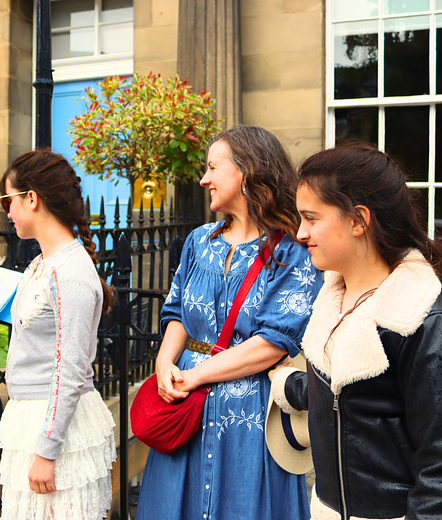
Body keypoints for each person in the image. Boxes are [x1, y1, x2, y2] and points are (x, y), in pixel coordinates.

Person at [269, 143, 442, 519]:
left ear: (358, 220)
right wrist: (291, 386)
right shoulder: (332, 298)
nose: (299, 232)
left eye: (311, 218)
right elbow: (354, 391)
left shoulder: (424, 319)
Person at [135, 126, 321, 519]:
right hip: (184, 404)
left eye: (213, 168)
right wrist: (164, 363)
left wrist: (198, 375)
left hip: (249, 409)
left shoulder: (292, 251)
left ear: (246, 173)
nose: (204, 179)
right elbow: (177, 310)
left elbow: (273, 342)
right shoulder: (198, 241)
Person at [0, 150, 117, 520]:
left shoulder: (70, 271)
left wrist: (46, 451)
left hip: (54, 427)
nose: (7, 211)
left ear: (32, 198)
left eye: (8, 200)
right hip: (31, 417)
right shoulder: (41, 262)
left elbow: (71, 368)